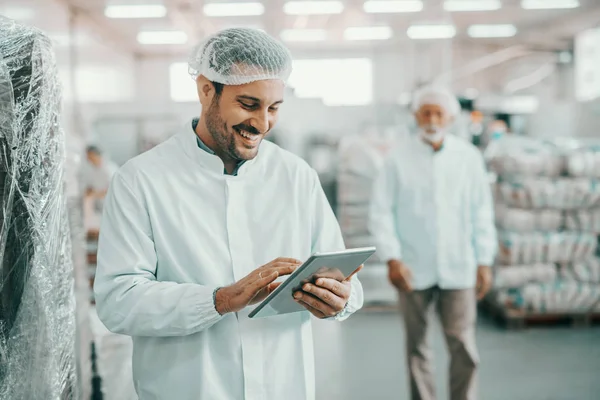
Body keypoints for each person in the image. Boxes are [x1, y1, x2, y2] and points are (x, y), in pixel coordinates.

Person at [93, 28, 363, 400]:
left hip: (283, 386)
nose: (263, 123)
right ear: (207, 90)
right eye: (249, 105)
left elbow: (343, 277)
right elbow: (118, 300)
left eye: (274, 108)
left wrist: (340, 297)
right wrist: (220, 300)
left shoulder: (296, 175)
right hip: (188, 388)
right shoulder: (141, 179)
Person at [369, 86, 497, 400]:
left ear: (451, 118)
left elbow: (481, 211)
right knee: (417, 346)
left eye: (439, 113)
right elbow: (381, 211)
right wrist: (392, 259)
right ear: (416, 116)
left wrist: (484, 260)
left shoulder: (467, 158)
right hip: (413, 266)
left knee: (463, 344)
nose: (432, 119)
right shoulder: (397, 159)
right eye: (426, 112)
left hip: (459, 265)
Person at [82, 145, 118, 209]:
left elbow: (112, 190)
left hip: (112, 206)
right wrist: (90, 189)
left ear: (95, 155)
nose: (88, 159)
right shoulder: (95, 169)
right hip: (102, 206)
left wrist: (94, 194)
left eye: (89, 156)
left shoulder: (109, 169)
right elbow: (94, 184)